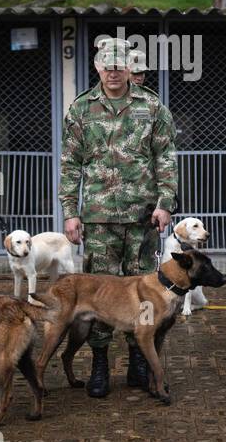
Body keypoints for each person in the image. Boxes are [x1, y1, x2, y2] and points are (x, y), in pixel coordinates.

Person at [59, 37, 177, 397]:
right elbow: (70, 164)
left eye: (119, 66)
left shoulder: (152, 106)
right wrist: (69, 212)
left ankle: (139, 362)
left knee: (143, 295)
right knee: (100, 295)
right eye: (106, 66)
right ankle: (99, 365)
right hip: (98, 218)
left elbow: (166, 159)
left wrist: (165, 202)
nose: (112, 72)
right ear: (97, 67)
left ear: (130, 67)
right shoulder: (81, 109)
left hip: (142, 216)